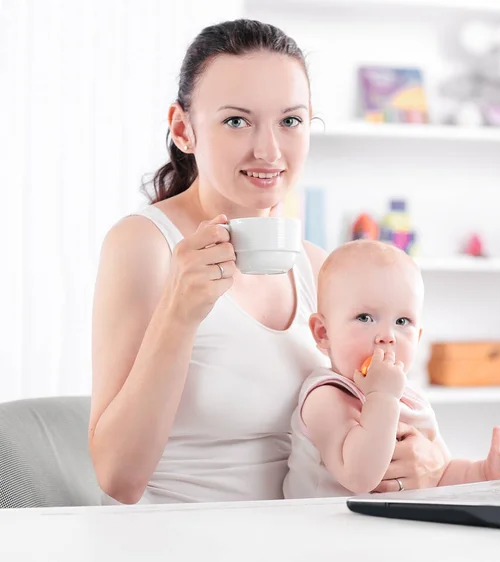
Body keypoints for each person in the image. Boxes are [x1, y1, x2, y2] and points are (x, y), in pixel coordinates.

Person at [89, 19, 449, 505]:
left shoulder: (318, 267)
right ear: (183, 129)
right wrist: (179, 314)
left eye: (290, 121)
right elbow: (118, 477)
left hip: (306, 538)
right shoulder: (145, 244)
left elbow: (364, 425)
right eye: (237, 120)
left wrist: (425, 463)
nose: (269, 150)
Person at [283, 240, 500, 498]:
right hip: (322, 532)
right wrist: (382, 398)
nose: (387, 336)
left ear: (418, 337)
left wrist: (483, 474)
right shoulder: (326, 396)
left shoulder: (411, 399)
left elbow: (440, 473)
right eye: (365, 318)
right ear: (323, 333)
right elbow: (359, 477)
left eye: (402, 321)